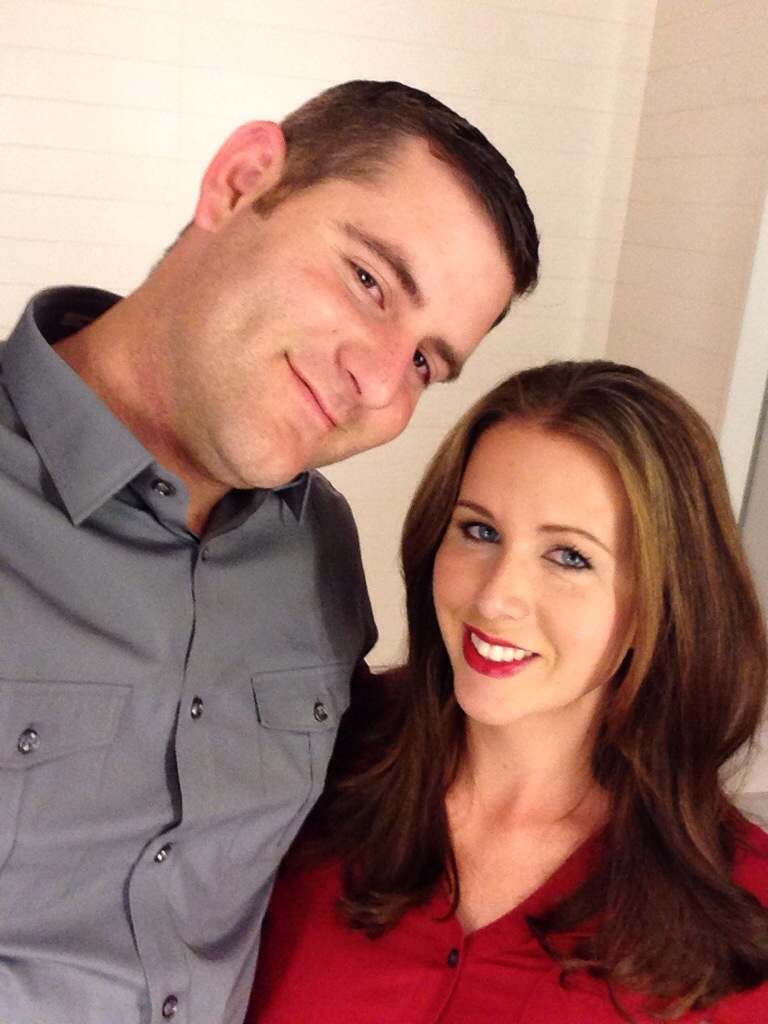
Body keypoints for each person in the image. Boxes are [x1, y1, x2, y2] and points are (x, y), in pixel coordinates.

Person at [0, 80, 539, 1024]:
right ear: (241, 181)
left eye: (425, 362)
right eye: (368, 281)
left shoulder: (318, 547)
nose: (379, 381)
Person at [249, 360, 768, 1023]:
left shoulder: (742, 913)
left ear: (661, 601)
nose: (495, 597)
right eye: (480, 531)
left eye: (570, 556)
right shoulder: (306, 763)